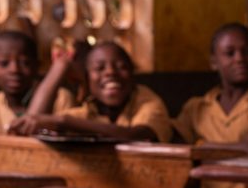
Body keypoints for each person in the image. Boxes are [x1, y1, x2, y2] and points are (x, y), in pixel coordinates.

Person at [173, 23, 248, 188]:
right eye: (229, 53)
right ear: (214, 62)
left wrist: (201, 146)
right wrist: (244, 146)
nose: (240, 59)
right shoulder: (196, 108)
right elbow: (178, 153)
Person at [10, 41, 172, 142]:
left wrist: (62, 121)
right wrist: (61, 66)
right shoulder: (87, 113)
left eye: (121, 67)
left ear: (132, 74)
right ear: (87, 79)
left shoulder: (147, 101)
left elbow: (136, 135)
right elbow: (31, 127)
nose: (110, 72)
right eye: (99, 68)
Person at [0, 30, 74, 134]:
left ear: (37, 66)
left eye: (25, 63)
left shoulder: (61, 99)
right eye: (4, 63)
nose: (14, 69)